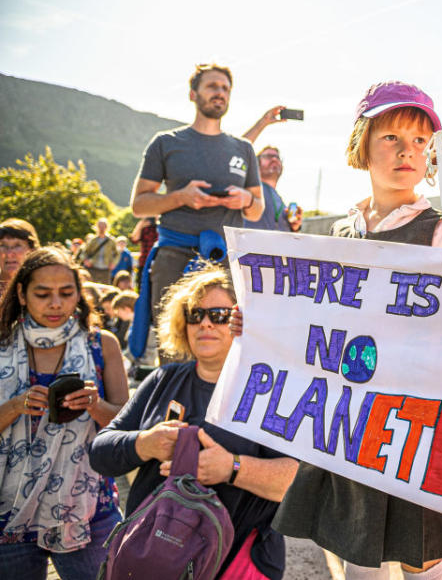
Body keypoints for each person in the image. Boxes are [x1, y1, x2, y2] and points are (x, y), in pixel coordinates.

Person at [230, 82, 442, 580]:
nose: (407, 152)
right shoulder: (340, 231)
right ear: (362, 145)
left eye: (420, 141)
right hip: (348, 420)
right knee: (357, 546)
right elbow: (312, 317)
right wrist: (262, 323)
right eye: (392, 137)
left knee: (421, 557)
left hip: (414, 419)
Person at [90, 266, 296, 579]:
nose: (205, 323)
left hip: (236, 563)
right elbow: (100, 452)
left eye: (220, 314)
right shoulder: (163, 380)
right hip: (154, 561)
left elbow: (298, 483)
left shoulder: (273, 393)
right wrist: (146, 443)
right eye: (195, 314)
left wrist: (231, 468)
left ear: (244, 321)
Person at [0, 247, 128, 579]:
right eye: (43, 294)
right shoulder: (2, 345)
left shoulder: (103, 345)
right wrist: (16, 406)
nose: (55, 303)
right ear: (22, 295)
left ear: (79, 295)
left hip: (87, 512)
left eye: (66, 293)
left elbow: (127, 428)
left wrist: (95, 405)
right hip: (8, 512)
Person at [128, 64, 264, 361]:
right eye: (212, 86)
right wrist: (180, 197)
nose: (220, 93)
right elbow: (139, 205)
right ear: (193, 94)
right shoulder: (166, 143)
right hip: (174, 257)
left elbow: (257, 211)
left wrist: (244, 200)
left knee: (227, 348)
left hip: (225, 262)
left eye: (225, 88)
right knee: (174, 351)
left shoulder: (243, 149)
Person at [243, 145, 303, 232]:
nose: (274, 159)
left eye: (277, 157)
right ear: (256, 163)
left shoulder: (281, 201)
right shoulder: (248, 188)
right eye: (268, 157)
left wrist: (294, 227)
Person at [0, 218, 40, 295]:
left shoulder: (42, 288)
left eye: (17, 246)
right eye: (3, 245)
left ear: (32, 250)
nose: (9, 253)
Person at [79, 218, 119, 285]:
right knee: (92, 289)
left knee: (106, 289)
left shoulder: (111, 241)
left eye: (103, 226)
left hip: (105, 269)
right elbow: (83, 253)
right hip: (93, 268)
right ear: (97, 227)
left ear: (107, 227)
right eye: (100, 226)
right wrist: (85, 260)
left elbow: (117, 254)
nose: (101, 228)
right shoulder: (93, 240)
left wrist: (114, 263)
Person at [129, 217, 157, 282]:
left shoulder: (161, 228)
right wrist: (141, 224)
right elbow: (134, 239)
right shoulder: (144, 228)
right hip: (144, 263)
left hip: (158, 263)